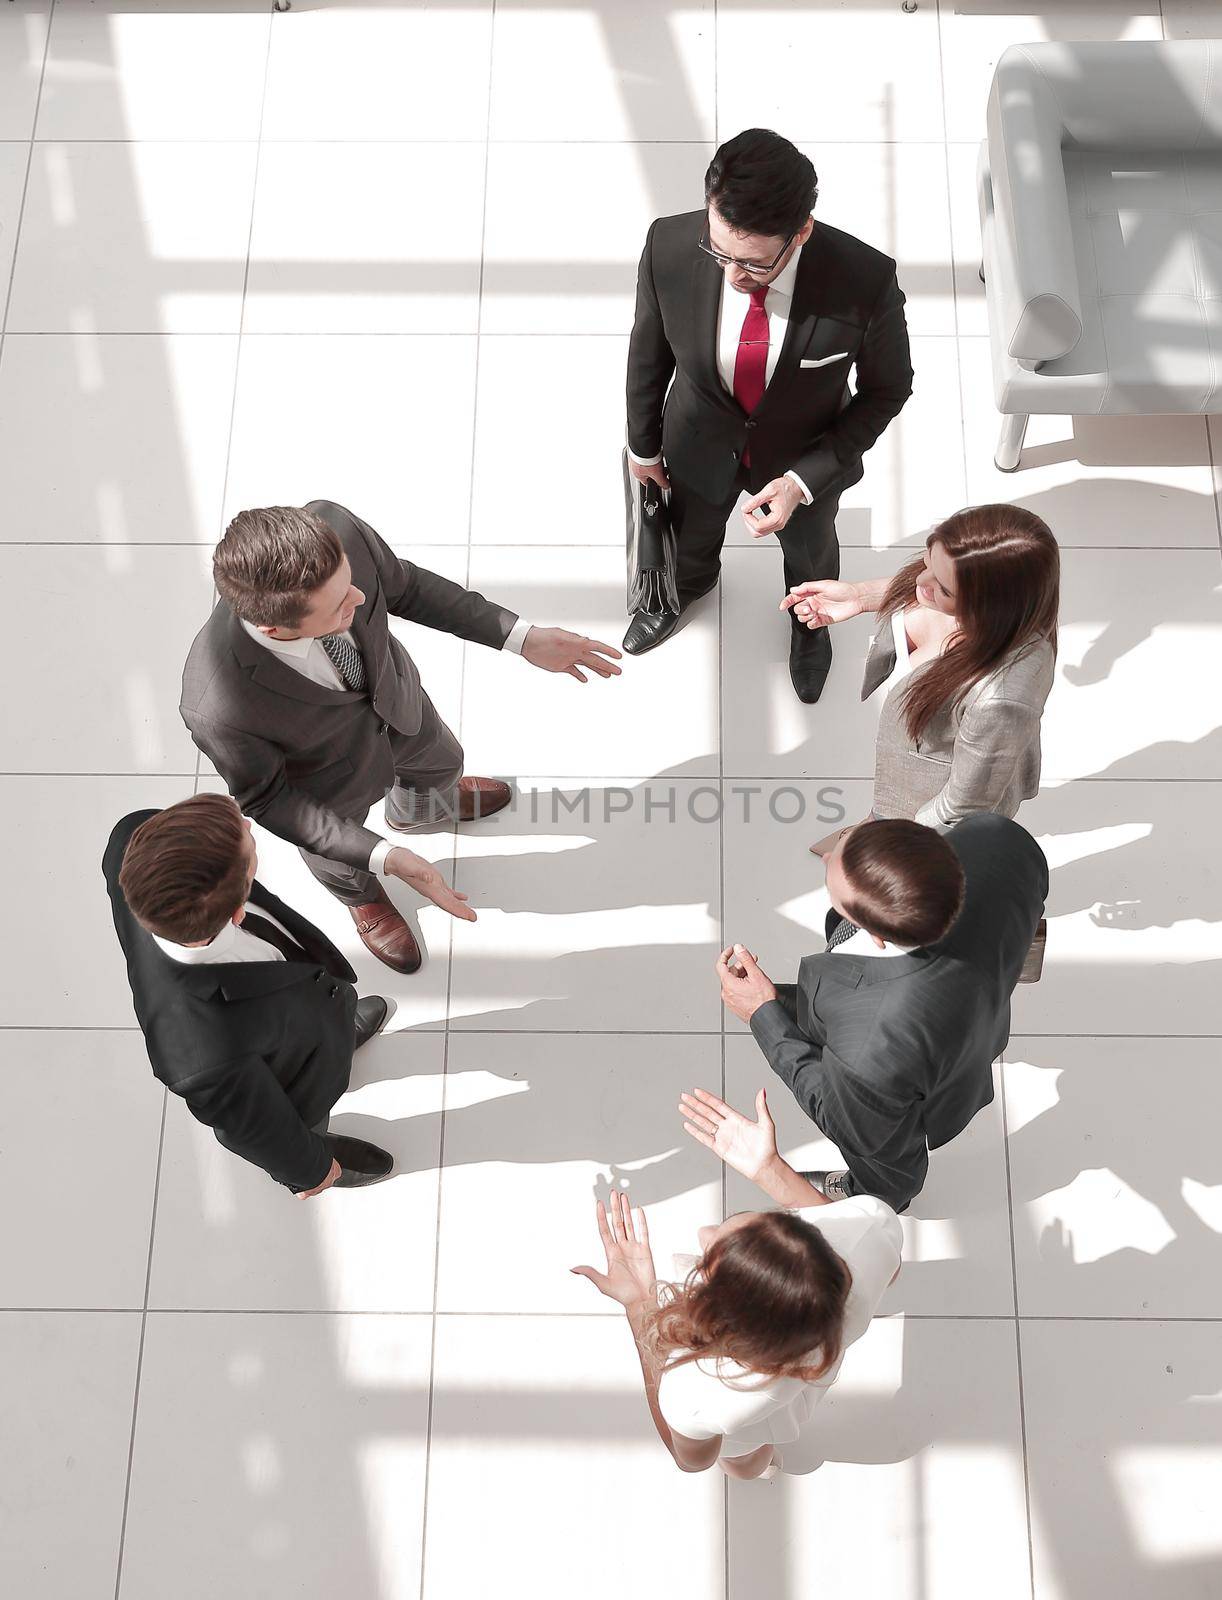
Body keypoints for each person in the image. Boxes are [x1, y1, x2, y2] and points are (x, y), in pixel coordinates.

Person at [180, 499, 621, 974]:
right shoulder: (217, 704)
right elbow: (269, 799)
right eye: (338, 606)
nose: (360, 599)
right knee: (342, 862)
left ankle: (420, 811)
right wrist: (385, 857)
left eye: (350, 582)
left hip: (397, 702)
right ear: (274, 628)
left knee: (443, 763)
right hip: (327, 790)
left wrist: (520, 637)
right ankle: (363, 898)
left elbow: (407, 587)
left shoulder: (336, 528)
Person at [623, 126, 913, 703]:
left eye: (754, 264)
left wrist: (804, 480)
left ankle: (810, 629)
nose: (733, 276)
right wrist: (643, 448)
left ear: (801, 232)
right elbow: (647, 352)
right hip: (697, 441)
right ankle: (684, 587)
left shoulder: (864, 280)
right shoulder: (669, 245)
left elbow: (888, 389)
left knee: (809, 555)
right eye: (720, 252)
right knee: (689, 535)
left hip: (804, 459)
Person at [717, 813, 1048, 1211]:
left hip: (913, 1071)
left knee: (886, 1167)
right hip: (973, 1005)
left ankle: (875, 1195)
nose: (824, 859)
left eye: (833, 884)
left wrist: (763, 1014)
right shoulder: (997, 837)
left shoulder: (868, 1051)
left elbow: (848, 1124)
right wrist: (776, 1000)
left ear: (873, 934)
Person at [571, 1086, 901, 1479]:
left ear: (719, 1315)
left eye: (711, 1257)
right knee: (759, 1448)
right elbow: (887, 1264)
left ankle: (760, 1468)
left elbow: (690, 1460)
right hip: (808, 1378)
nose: (703, 1232)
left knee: (745, 1459)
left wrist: (639, 1304)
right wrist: (769, 1170)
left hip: (744, 1422)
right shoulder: (870, 1235)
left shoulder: (701, 1393)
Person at [104, 794, 395, 1196]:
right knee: (302, 1120)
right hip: (287, 1081)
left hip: (297, 1011)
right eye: (247, 842)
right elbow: (256, 1129)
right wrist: (309, 1168)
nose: (248, 823)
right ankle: (324, 1147)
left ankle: (336, 1034)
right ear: (238, 909)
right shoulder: (202, 1058)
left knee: (328, 1021)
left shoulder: (134, 836)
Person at [788, 504, 1059, 844]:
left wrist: (898, 843)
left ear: (990, 606)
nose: (920, 580)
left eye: (943, 590)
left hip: (932, 800)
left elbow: (962, 807)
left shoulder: (1001, 698)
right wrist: (859, 596)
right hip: (906, 774)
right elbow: (927, 584)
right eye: (928, 561)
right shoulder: (959, 582)